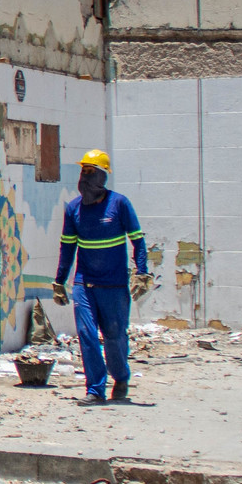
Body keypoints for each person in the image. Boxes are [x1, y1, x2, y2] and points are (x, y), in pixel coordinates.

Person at [50, 149, 152, 402]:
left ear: (103, 177)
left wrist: (141, 272)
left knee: (114, 335)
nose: (84, 178)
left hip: (114, 285)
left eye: (90, 172)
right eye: (82, 172)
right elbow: (67, 247)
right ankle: (95, 390)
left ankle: (121, 377)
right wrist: (60, 281)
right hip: (85, 283)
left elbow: (138, 241)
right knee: (86, 333)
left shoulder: (119, 204)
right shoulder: (74, 209)